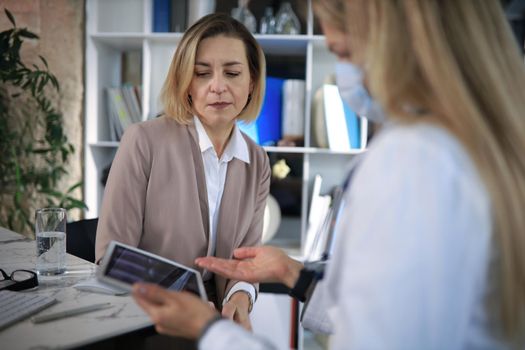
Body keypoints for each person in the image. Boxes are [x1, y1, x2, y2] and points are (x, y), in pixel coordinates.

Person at [132, 0, 525, 349]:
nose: (344, 75)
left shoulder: (412, 162)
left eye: (343, 51)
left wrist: (208, 331)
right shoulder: (480, 150)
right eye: (203, 73)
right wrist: (294, 275)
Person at [95, 13, 270, 329]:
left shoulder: (256, 161)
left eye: (232, 73)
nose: (217, 87)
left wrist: (241, 299)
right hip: (147, 323)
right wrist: (183, 302)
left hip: (215, 327)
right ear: (185, 83)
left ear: (251, 83)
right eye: (202, 74)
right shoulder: (143, 140)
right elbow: (111, 256)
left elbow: (246, 260)